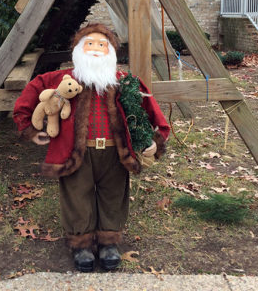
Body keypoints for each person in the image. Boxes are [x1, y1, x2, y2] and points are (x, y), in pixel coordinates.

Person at [13, 23, 170, 272]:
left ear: (110, 52)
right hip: (77, 152)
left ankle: (108, 243)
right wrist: (29, 128)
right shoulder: (61, 79)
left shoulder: (124, 82)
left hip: (114, 152)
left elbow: (149, 108)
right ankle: (81, 244)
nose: (95, 49)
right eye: (90, 44)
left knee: (113, 195)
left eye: (101, 45)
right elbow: (31, 93)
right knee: (77, 195)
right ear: (78, 50)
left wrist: (156, 137)